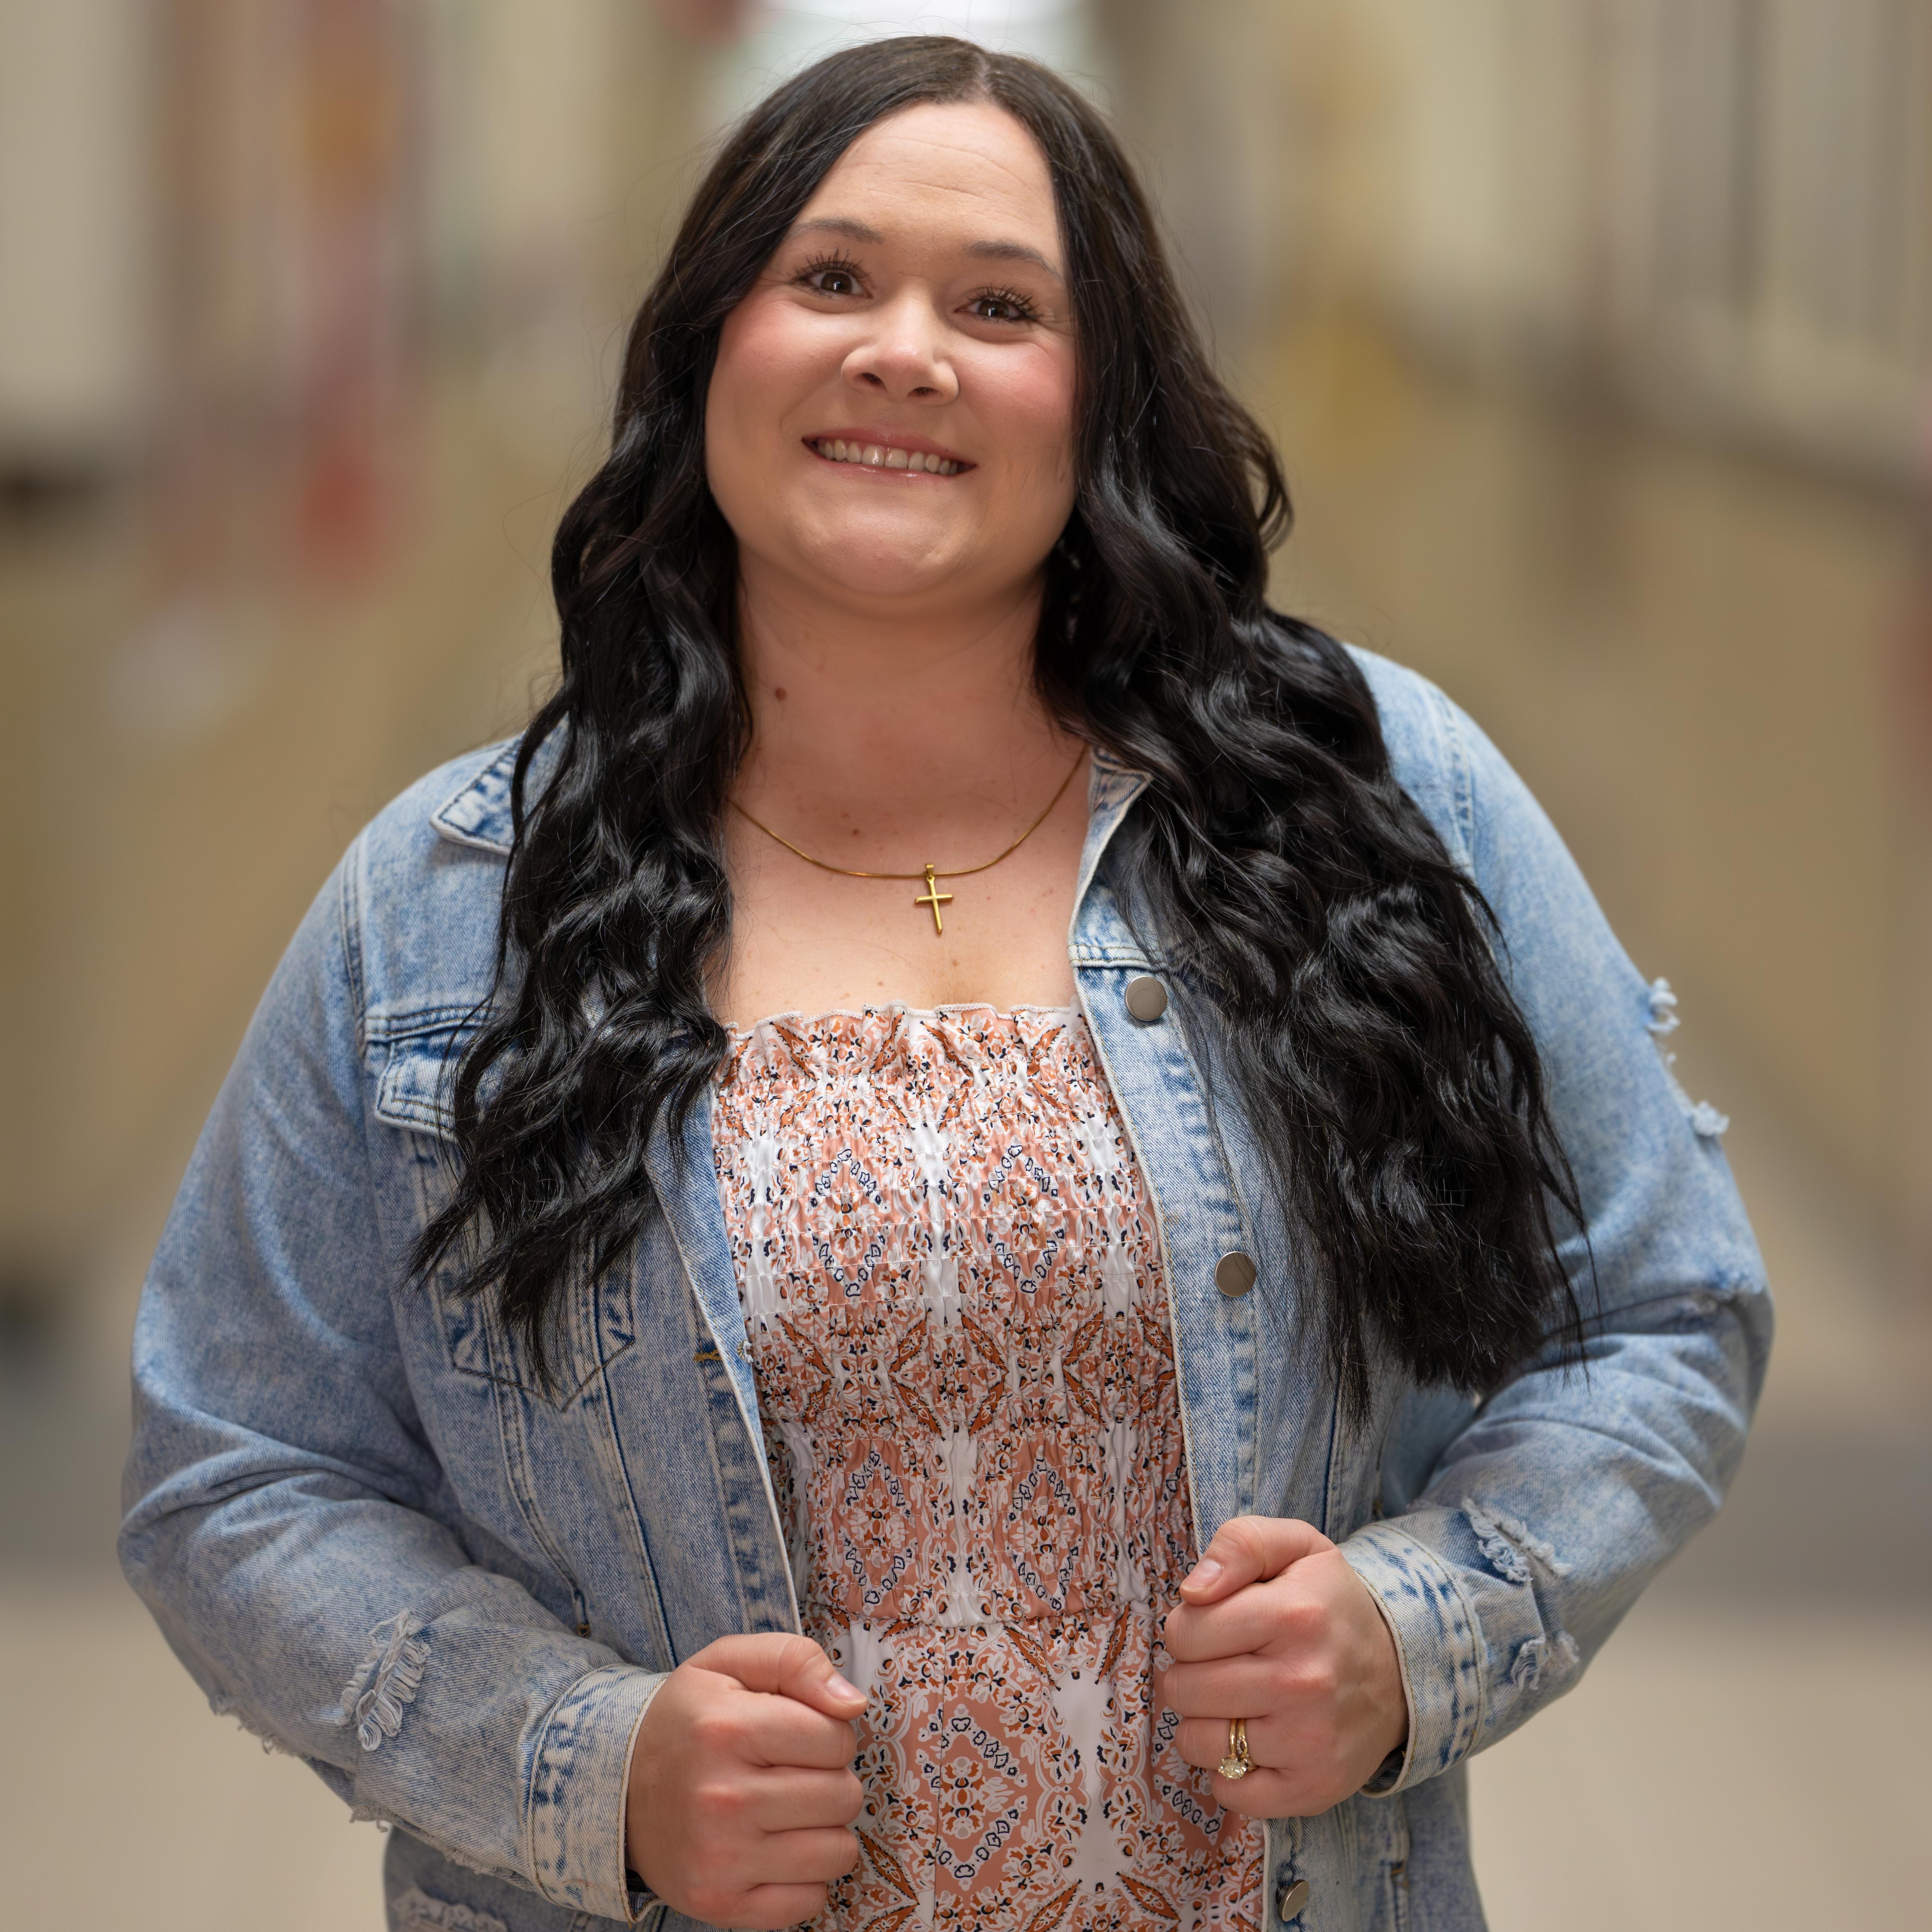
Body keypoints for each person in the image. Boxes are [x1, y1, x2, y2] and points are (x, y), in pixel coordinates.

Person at [120, 37, 1770, 1932]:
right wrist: (586, 1761)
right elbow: (235, 1473)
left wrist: (1423, 1631)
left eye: (999, 304)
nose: (905, 350)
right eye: (829, 279)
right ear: (705, 352)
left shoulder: (1375, 801)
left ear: (1103, 405)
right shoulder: (448, 908)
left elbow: (1660, 1306)